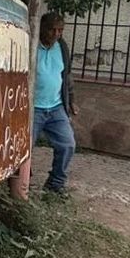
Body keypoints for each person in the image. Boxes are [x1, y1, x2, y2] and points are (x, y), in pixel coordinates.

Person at [33, 12, 76, 196]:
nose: (57, 34)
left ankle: (55, 185)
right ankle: (18, 184)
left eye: (60, 30)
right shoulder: (30, 44)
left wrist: (71, 100)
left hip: (56, 107)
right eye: (53, 30)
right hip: (33, 108)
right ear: (42, 28)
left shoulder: (62, 47)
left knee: (67, 145)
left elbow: (66, 76)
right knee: (23, 149)